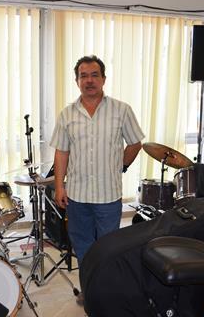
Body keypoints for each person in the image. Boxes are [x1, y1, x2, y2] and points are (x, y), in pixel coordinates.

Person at [50, 55, 144, 304]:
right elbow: (61, 152)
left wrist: (121, 165)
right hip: (77, 196)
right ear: (76, 80)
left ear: (103, 79)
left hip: (108, 196)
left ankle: (109, 294)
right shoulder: (67, 114)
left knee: (109, 249)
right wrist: (60, 185)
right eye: (83, 76)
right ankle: (90, 292)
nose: (89, 80)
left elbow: (135, 143)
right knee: (83, 248)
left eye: (94, 75)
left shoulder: (121, 110)